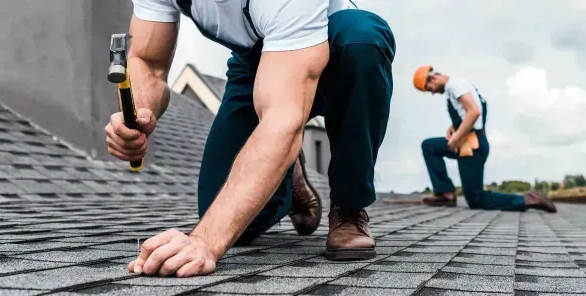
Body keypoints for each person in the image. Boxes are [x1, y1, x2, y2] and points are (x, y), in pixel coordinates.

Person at [104, 0, 395, 277]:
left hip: (333, 44)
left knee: (362, 41)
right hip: (256, 60)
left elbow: (283, 119)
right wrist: (140, 113)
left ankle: (349, 206)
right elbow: (148, 62)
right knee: (228, 217)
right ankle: (289, 176)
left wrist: (204, 240)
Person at [412, 65, 557, 213]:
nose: (432, 92)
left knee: (476, 199)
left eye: (429, 88)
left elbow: (474, 112)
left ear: (433, 77)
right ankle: (445, 193)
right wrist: (454, 127)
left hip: (472, 147)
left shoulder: (455, 85)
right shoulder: (457, 86)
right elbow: (471, 111)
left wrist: (456, 136)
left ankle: (527, 200)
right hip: (468, 142)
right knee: (429, 146)